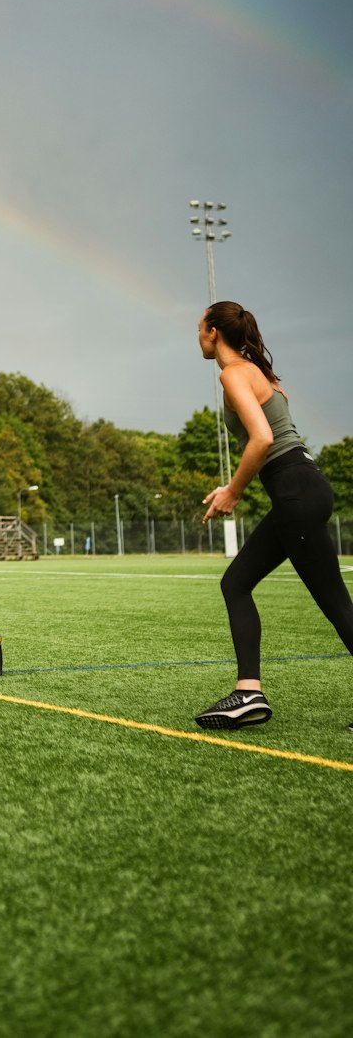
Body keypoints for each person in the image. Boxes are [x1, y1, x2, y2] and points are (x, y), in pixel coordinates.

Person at [193, 302, 351, 730]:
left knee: (337, 605)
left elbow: (262, 439)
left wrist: (233, 491)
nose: (197, 337)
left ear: (212, 332)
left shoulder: (233, 374)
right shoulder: (260, 372)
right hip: (303, 488)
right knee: (237, 582)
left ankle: (248, 692)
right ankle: (248, 692)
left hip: (296, 490)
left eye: (199, 329)